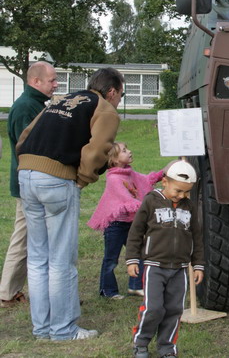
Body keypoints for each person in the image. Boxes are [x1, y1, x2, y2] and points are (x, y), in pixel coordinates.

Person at [17, 67, 125, 341]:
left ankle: (41, 327)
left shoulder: (61, 100)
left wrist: (27, 165)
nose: (119, 101)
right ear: (111, 92)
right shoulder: (105, 109)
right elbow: (99, 148)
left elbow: (26, 135)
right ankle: (63, 329)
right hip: (56, 179)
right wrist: (82, 178)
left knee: (39, 257)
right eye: (120, 95)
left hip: (27, 175)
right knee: (62, 259)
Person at [125, 160, 204, 358]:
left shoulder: (189, 207)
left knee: (174, 309)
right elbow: (136, 232)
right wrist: (133, 259)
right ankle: (141, 343)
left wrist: (199, 265)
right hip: (155, 266)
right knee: (153, 308)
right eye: (178, 191)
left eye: (187, 192)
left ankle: (167, 348)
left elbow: (196, 237)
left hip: (180, 269)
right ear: (164, 182)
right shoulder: (151, 201)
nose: (182, 196)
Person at [0, 61, 58, 308]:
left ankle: (15, 289)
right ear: (36, 82)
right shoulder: (26, 108)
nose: (56, 85)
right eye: (52, 81)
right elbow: (30, 147)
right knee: (23, 238)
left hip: (35, 180)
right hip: (29, 182)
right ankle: (7, 292)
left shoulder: (36, 105)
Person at [87, 142, 164, 299]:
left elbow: (146, 180)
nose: (129, 151)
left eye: (127, 148)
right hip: (115, 225)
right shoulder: (115, 179)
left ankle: (135, 286)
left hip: (130, 223)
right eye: (124, 150)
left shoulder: (129, 173)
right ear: (114, 160)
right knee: (111, 259)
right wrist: (152, 206)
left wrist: (164, 171)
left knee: (139, 253)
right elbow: (129, 201)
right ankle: (107, 291)